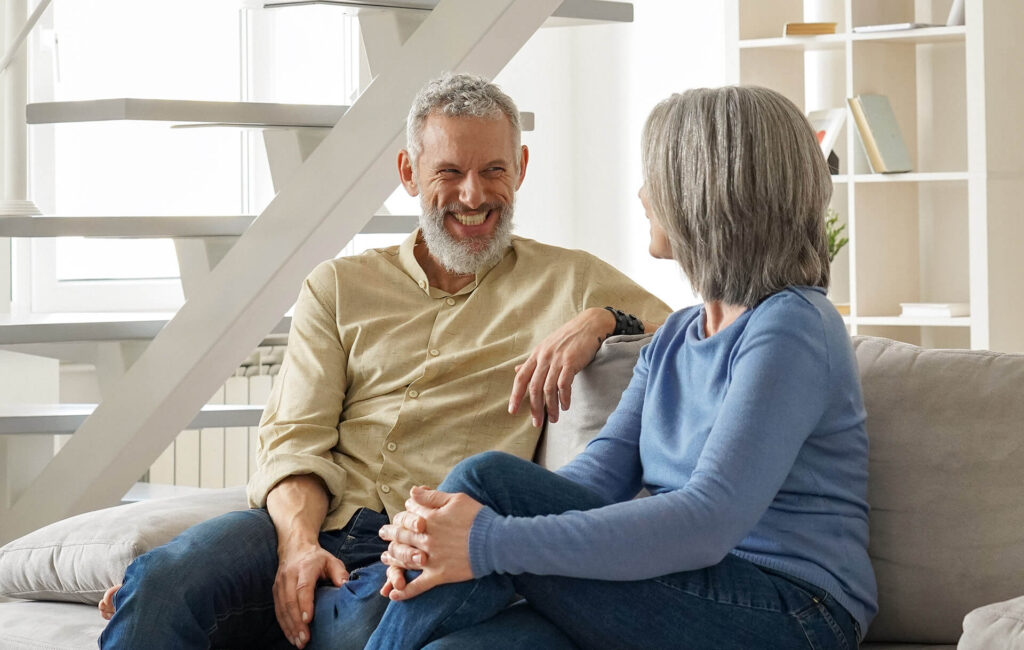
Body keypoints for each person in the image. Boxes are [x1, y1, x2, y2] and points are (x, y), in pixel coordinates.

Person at [95, 73, 669, 649]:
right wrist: (298, 546)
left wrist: (605, 321)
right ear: (408, 173)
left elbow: (704, 325)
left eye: (493, 170)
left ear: (520, 168)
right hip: (304, 525)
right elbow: (296, 440)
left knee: (357, 625)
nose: (473, 195)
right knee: (161, 582)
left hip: (418, 545)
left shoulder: (570, 280)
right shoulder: (339, 286)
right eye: (449, 172)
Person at [368, 85, 879, 650]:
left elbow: (706, 521)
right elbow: (593, 482)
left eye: (654, 176)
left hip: (792, 611)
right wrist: (435, 536)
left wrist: (489, 539)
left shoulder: (792, 326)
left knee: (487, 480)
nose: (640, 194)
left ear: (705, 191)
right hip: (673, 593)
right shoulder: (677, 336)